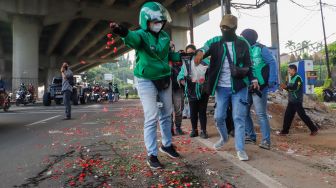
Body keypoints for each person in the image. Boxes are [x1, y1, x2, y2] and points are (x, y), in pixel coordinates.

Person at [110, 1, 180, 169]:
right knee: (151, 116)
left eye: (161, 22)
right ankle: (152, 154)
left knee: (166, 113)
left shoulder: (164, 36)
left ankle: (167, 145)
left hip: (164, 78)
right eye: (155, 21)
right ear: (145, 21)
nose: (159, 24)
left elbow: (167, 55)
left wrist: (181, 56)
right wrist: (122, 31)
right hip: (146, 79)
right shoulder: (141, 35)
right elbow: (131, 38)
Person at [194, 14, 259, 161]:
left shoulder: (243, 43)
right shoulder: (215, 41)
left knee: (238, 117)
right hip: (221, 88)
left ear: (234, 28)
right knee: (219, 117)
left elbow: (250, 63)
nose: (224, 30)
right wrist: (199, 54)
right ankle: (224, 138)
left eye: (227, 28)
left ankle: (240, 149)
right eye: (222, 27)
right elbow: (204, 48)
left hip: (239, 86)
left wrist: (253, 78)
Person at [240, 29, 278, 150]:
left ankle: (266, 140)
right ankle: (251, 136)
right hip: (246, 87)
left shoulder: (261, 48)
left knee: (261, 114)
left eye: (243, 37)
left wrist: (271, 80)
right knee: (244, 112)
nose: (241, 39)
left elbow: (272, 63)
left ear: (249, 37)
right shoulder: (242, 50)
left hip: (260, 87)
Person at [178, 44, 210, 139]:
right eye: (188, 53)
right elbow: (180, 75)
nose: (190, 55)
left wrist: (203, 81)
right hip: (191, 90)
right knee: (193, 111)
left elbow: (209, 73)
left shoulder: (205, 61)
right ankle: (194, 130)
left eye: (192, 53)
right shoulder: (185, 63)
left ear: (196, 52)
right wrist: (185, 82)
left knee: (202, 111)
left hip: (203, 90)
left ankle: (203, 131)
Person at [278, 64, 318, 136]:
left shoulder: (298, 78)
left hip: (297, 101)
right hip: (291, 101)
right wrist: (284, 87)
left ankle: (314, 129)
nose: (288, 71)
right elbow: (289, 88)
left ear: (293, 70)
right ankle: (284, 131)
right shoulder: (291, 78)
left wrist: (286, 87)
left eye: (289, 70)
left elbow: (296, 88)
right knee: (288, 116)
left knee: (302, 115)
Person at [170, 42, 184, 136]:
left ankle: (178, 127)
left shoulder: (179, 59)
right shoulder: (162, 59)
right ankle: (170, 128)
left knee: (179, 109)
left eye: (172, 46)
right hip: (166, 88)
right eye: (169, 46)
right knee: (168, 110)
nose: (170, 48)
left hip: (178, 88)